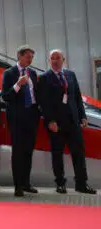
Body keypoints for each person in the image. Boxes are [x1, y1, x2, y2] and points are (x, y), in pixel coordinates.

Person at [38, 49, 96, 194]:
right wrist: (50, 120)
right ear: (49, 61)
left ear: (63, 59)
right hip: (56, 124)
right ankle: (60, 184)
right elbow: (43, 102)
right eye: (52, 58)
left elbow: (77, 97)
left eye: (58, 58)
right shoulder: (44, 78)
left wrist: (82, 116)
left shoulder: (70, 75)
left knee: (79, 153)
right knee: (57, 154)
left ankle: (81, 184)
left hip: (73, 121)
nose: (55, 60)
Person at [1, 45, 40, 197]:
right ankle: (18, 186)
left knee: (28, 152)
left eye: (32, 57)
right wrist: (18, 85)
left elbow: (36, 94)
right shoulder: (9, 73)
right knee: (18, 152)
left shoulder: (33, 73)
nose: (30, 59)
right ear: (19, 56)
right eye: (28, 56)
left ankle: (26, 183)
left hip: (32, 117)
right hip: (17, 118)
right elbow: (5, 96)